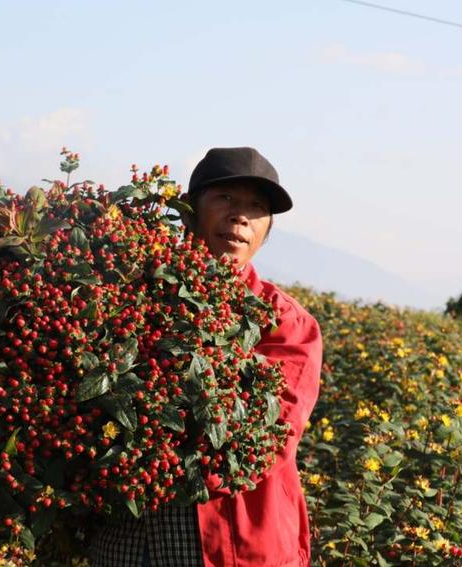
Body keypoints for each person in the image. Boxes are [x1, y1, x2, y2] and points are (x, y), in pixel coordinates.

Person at [90, 147, 323, 567]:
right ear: (189, 212)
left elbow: (267, 438)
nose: (241, 217)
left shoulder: (285, 322)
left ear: (265, 230)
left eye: (256, 208)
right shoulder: (133, 291)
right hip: (128, 538)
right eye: (226, 199)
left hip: (236, 545)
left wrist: (158, 462)